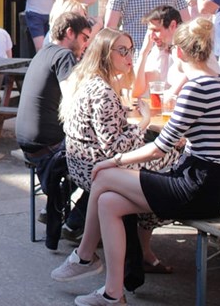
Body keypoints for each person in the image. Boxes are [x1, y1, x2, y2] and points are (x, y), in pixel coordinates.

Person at [52, 18, 220, 306]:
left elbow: (160, 147)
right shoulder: (214, 80)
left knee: (103, 176)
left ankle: (85, 256)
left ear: (179, 53)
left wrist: (116, 161)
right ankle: (113, 293)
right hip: (203, 182)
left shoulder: (196, 87)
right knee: (108, 202)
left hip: (198, 187)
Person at [59, 27, 183, 292]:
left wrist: (127, 119)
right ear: (105, 54)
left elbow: (107, 131)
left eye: (131, 50)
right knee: (176, 155)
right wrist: (145, 122)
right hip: (95, 167)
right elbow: (113, 147)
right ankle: (144, 243)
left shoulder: (90, 80)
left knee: (162, 155)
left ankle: (133, 254)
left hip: (82, 164)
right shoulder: (103, 91)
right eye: (122, 51)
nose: (129, 57)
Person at [15, 12, 93, 249]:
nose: (86, 44)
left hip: (27, 141)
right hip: (47, 146)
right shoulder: (64, 55)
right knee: (106, 166)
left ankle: (55, 208)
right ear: (70, 33)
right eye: (85, 38)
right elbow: (73, 98)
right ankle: (75, 223)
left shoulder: (43, 53)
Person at [131, 6, 183, 101]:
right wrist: (144, 52)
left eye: (156, 30)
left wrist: (168, 98)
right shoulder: (157, 50)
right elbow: (135, 91)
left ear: (172, 26)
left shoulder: (191, 50)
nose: (152, 36)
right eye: (150, 30)